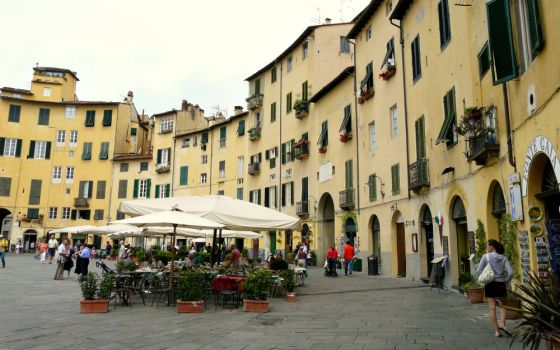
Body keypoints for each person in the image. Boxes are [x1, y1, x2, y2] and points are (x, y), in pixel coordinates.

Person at [476, 239, 513, 337]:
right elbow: (511, 272)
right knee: (504, 305)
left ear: (492, 246)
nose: (486, 247)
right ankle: (502, 324)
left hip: (490, 284)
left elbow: (478, 270)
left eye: (487, 245)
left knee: (492, 308)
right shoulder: (503, 258)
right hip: (501, 283)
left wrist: (484, 276)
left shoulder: (485, 257)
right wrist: (506, 280)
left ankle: (497, 331)